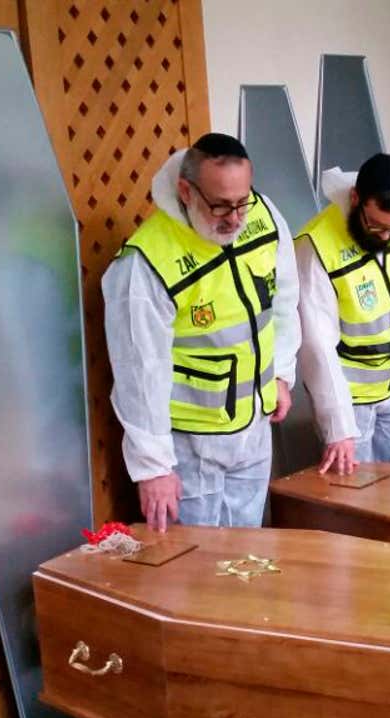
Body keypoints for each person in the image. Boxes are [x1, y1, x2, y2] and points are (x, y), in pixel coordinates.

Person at [103, 133, 300, 529]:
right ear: (186, 191)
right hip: (191, 447)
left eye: (242, 201)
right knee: (194, 572)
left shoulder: (263, 216)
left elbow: (283, 300)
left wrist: (281, 372)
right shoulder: (147, 263)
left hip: (254, 429)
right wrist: (153, 468)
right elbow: (139, 371)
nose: (235, 218)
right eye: (220, 205)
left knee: (247, 557)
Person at [295, 154, 390, 472]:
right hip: (352, 400)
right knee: (360, 497)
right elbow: (317, 346)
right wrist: (338, 428)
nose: (386, 236)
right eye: (377, 226)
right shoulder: (316, 246)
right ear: (355, 199)